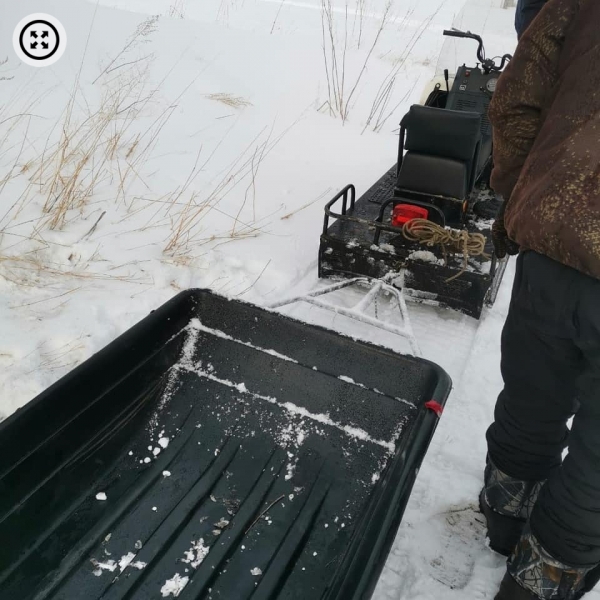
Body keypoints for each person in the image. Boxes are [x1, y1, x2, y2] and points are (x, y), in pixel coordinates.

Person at [479, 0, 600, 598]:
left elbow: (517, 99)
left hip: (552, 248)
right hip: (554, 244)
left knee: (532, 393)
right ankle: (539, 580)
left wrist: (527, 197)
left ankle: (503, 520)